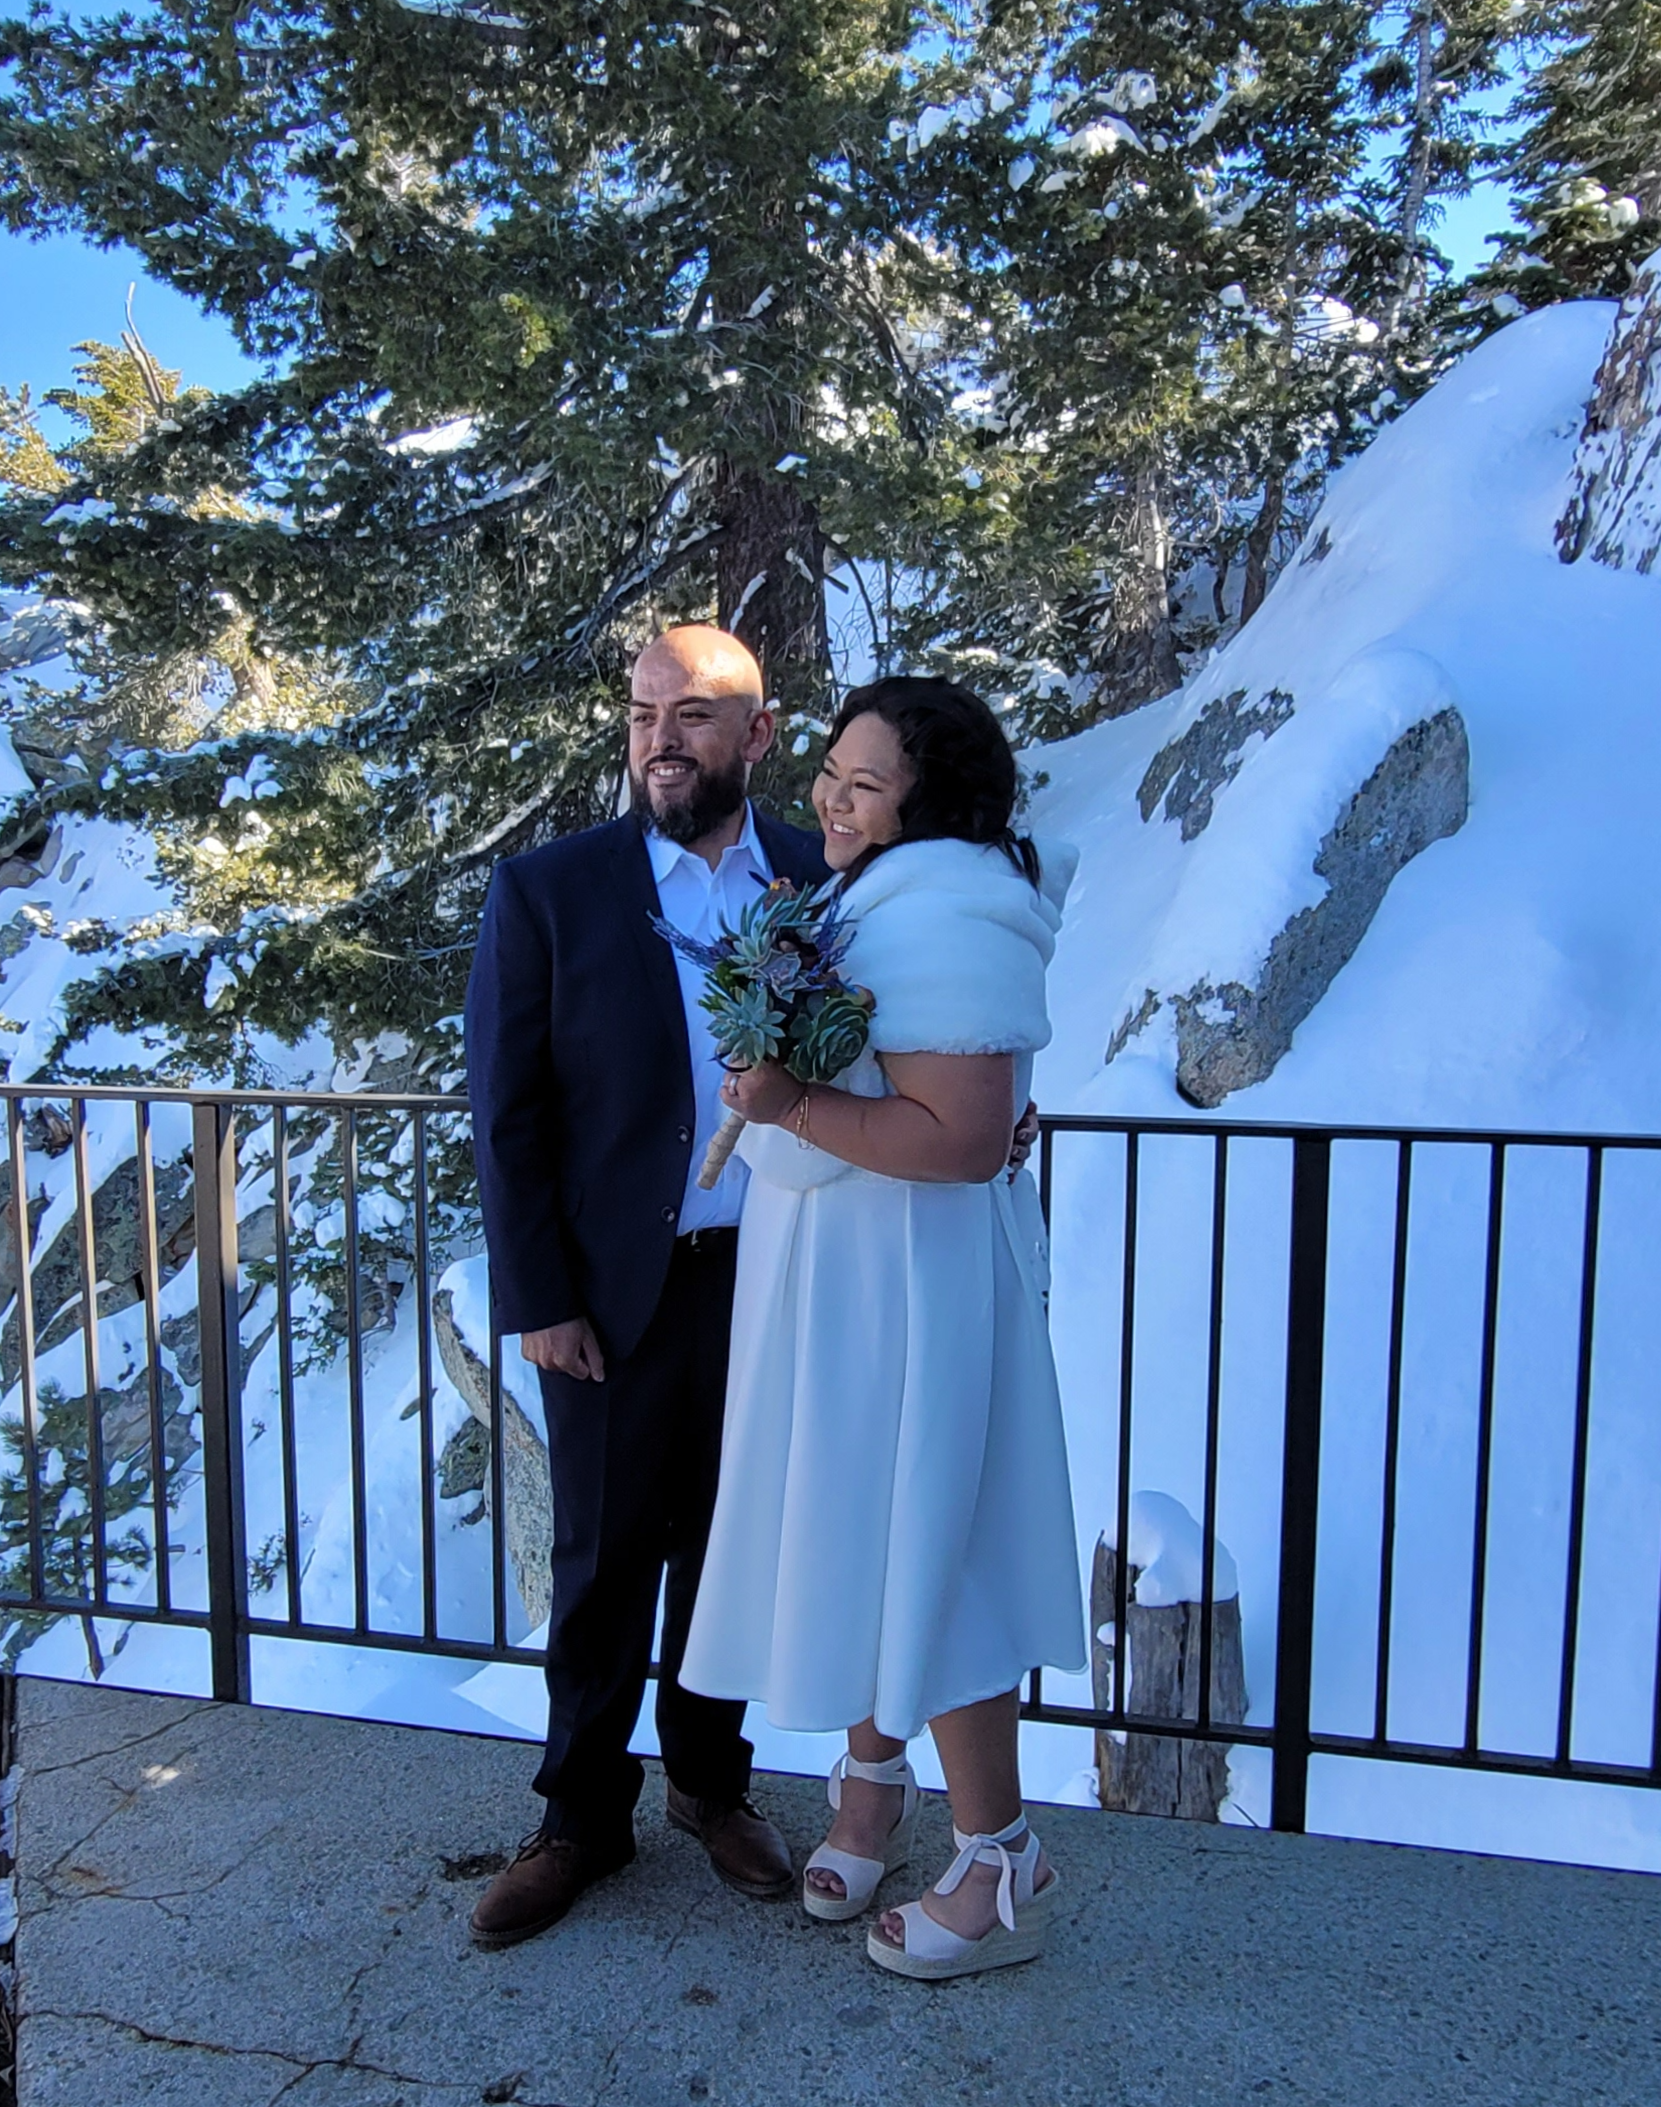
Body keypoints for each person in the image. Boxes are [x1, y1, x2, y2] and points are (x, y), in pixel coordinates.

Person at [679, 674, 1087, 1982]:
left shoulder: (955, 907)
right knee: (866, 1519)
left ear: (932, 806)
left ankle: (996, 1854)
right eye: (830, 776)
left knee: (938, 1538)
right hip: (845, 1269)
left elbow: (963, 1137)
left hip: (913, 1277)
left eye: (864, 785)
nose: (830, 801)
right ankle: (873, 1778)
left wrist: (791, 1106)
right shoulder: (877, 892)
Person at [462, 625, 826, 1947]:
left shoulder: (819, 870)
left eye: (690, 713)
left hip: (779, 1274)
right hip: (617, 1285)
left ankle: (708, 1783)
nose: (659, 736)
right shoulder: (550, 889)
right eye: (640, 714)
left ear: (758, 733)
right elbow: (505, 1115)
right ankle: (577, 1818)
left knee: (730, 1545)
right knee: (603, 1554)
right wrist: (540, 1294)